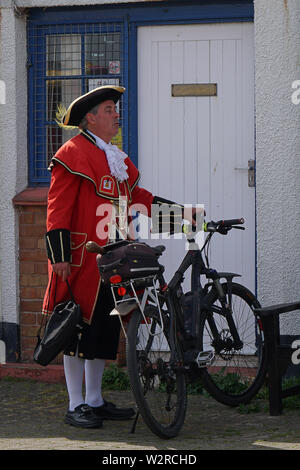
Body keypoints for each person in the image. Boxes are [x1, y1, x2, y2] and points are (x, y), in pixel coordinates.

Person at [42, 85, 200, 429]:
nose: (116, 114)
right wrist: (59, 256)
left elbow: (140, 199)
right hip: (81, 257)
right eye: (110, 109)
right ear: (91, 117)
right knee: (76, 329)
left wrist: (185, 215)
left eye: (116, 108)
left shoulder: (115, 156)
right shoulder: (72, 153)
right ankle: (75, 403)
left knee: (103, 328)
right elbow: (57, 209)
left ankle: (95, 400)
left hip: (116, 256)